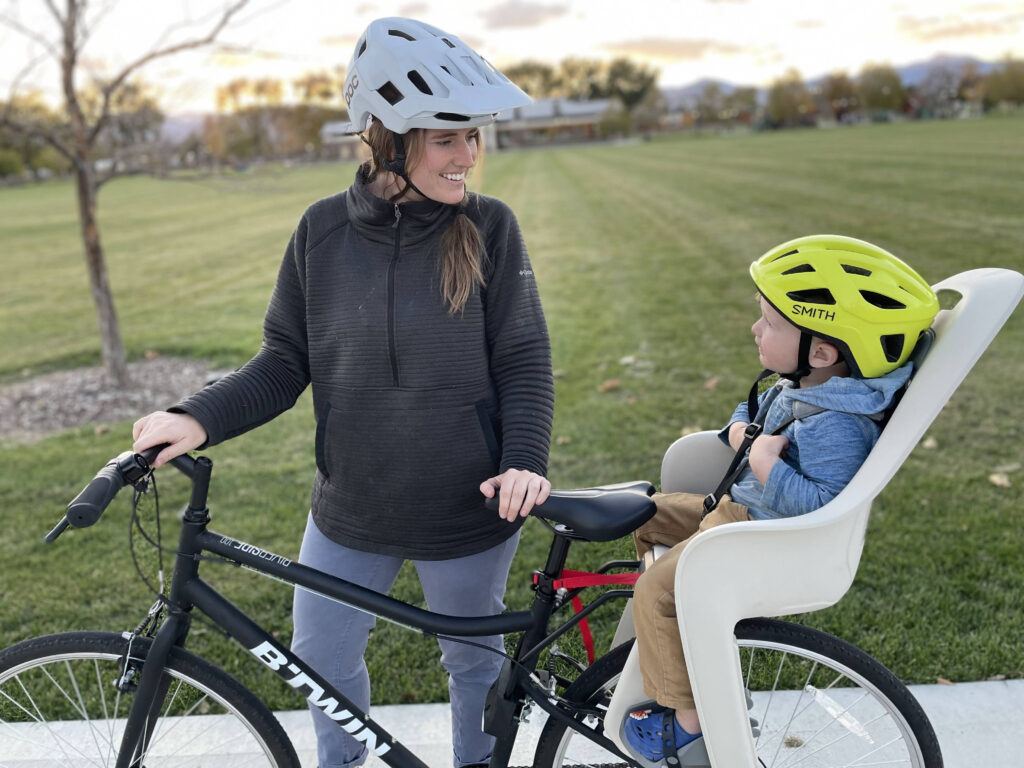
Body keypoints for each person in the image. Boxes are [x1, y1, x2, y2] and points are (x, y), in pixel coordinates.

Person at [132, 17, 554, 768]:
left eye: (473, 138)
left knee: (475, 667)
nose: (468, 157)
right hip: (351, 504)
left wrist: (523, 459)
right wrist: (197, 416)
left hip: (468, 504)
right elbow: (284, 360)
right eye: (447, 138)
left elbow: (523, 359)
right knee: (319, 657)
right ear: (387, 137)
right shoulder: (321, 231)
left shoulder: (490, 227)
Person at [624, 235, 939, 762]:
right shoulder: (803, 385)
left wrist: (766, 465)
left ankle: (687, 721)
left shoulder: (839, 423)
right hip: (732, 511)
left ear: (821, 350)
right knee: (646, 515)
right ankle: (667, 655)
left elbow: (820, 504)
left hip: (757, 531)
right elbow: (747, 417)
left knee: (657, 592)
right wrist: (741, 433)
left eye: (769, 323)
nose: (755, 329)